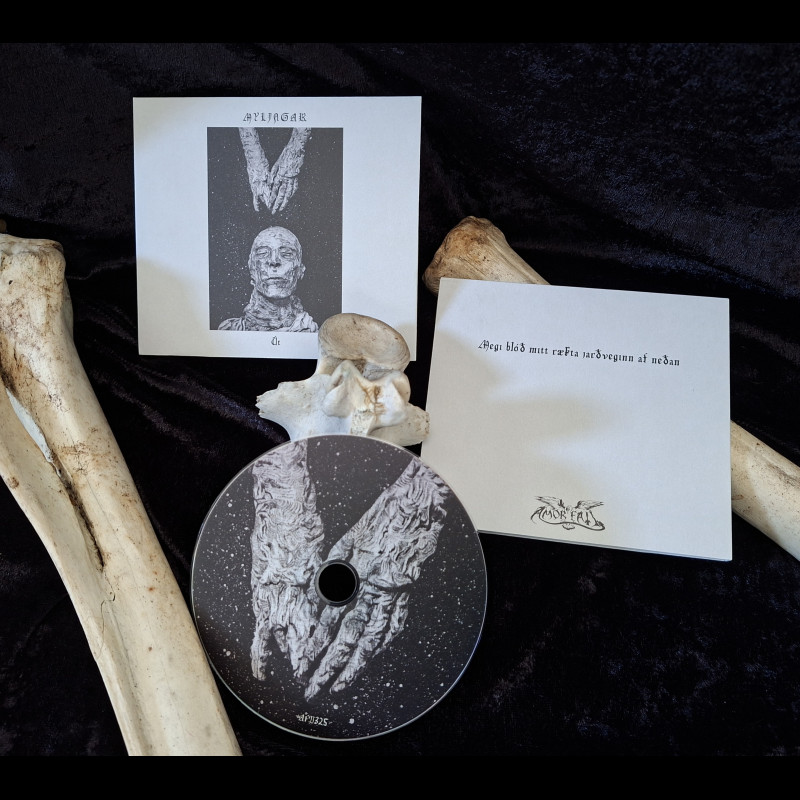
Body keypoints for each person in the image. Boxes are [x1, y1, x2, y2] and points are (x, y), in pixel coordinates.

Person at [218, 226, 318, 333]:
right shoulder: (228, 330)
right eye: (262, 253)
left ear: (300, 270)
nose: (274, 261)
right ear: (251, 268)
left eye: (286, 254)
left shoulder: (311, 331)